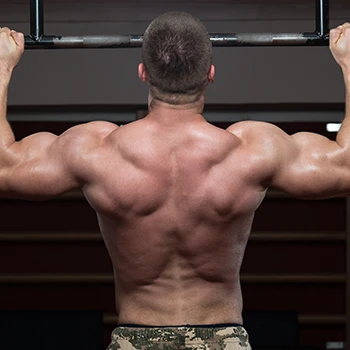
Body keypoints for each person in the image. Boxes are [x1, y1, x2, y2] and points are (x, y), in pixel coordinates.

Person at [0, 11, 349, 350]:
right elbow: (345, 166)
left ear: (142, 72)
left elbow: (5, 167)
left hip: (136, 338)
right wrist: (349, 63)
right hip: (222, 339)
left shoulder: (98, 151)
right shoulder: (251, 152)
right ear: (210, 73)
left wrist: (3, 66)